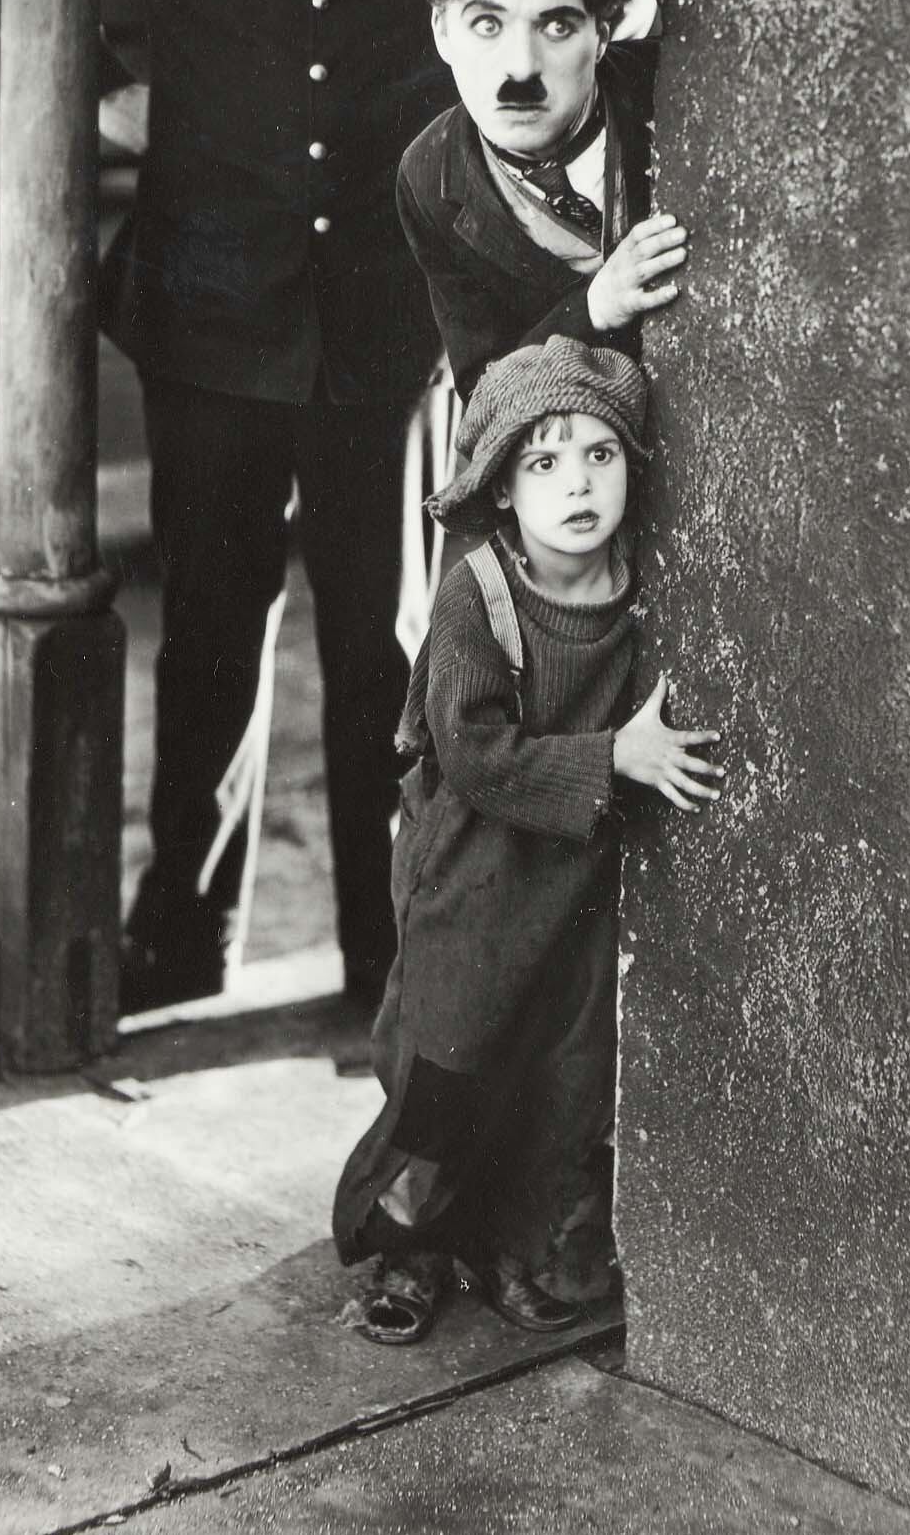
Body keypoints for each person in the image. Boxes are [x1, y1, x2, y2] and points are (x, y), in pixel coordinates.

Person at [0, 0, 487, 1014]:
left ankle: (388, 948)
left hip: (382, 325)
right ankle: (183, 939)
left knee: (384, 650)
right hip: (210, 316)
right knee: (207, 635)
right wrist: (99, 94)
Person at [332, 336, 721, 1344]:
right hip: (471, 872)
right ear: (501, 488)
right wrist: (613, 759)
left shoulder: (639, 582)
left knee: (560, 1071)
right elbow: (469, 750)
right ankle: (409, 1245)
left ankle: (515, 1246)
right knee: (448, 1064)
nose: (576, 483)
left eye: (599, 453)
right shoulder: (480, 595)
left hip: (571, 876)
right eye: (542, 462)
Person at [392, 0, 688, 404]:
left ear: (603, 33)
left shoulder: (671, 98)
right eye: (488, 24)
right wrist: (594, 308)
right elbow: (486, 386)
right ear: (442, 31)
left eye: (556, 26)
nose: (521, 69)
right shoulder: (430, 177)